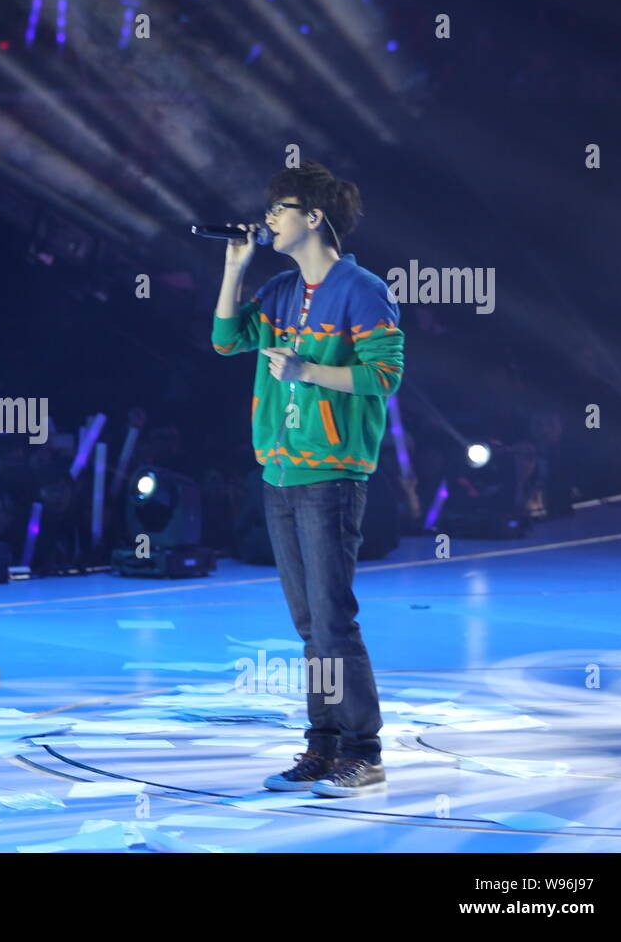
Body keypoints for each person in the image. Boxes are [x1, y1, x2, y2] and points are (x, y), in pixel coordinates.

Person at [212, 160, 404, 797]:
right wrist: (236, 266)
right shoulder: (277, 291)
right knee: (307, 623)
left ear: (313, 216)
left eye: (278, 209)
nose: (268, 219)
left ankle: (362, 750)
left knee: (333, 620)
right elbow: (224, 340)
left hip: (331, 470)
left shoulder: (362, 288)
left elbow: (383, 375)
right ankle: (320, 747)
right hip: (281, 468)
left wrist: (306, 373)